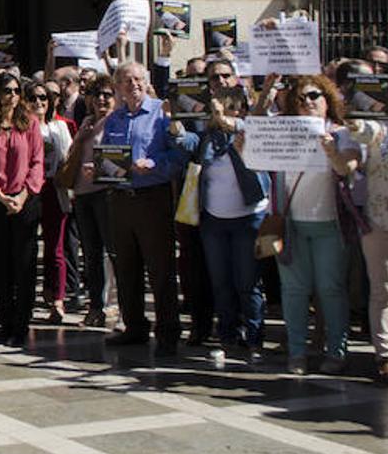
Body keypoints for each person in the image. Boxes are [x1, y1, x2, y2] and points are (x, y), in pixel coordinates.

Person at [265, 75, 360, 375]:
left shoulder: (342, 134)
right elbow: (257, 160)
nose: (308, 102)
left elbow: (348, 168)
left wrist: (332, 152)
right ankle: (297, 354)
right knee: (293, 291)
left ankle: (336, 351)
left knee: (331, 289)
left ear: (327, 99)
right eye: (301, 98)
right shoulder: (284, 131)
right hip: (290, 225)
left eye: (314, 96)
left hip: (329, 224)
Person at [93, 61, 186, 356]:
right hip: (120, 200)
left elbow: (179, 155)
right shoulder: (115, 119)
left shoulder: (162, 112)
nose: (132, 84)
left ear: (146, 82)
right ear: (118, 87)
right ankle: (134, 326)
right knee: (126, 267)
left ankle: (168, 331)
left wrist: (155, 165)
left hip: (152, 198)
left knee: (160, 269)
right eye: (126, 80)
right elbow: (107, 156)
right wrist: (94, 168)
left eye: (137, 78)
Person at [170, 87, 268, 362]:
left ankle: (255, 337)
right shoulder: (206, 138)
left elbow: (252, 129)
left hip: (247, 219)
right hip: (214, 221)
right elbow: (184, 141)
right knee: (222, 283)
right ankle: (228, 336)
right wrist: (176, 127)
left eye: (231, 108)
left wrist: (229, 121)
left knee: (248, 283)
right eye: (220, 109)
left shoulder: (248, 133)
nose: (223, 115)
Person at [0, 72, 45, 347]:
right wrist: (1, 196)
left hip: (25, 201)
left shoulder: (30, 124)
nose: (12, 96)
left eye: (16, 91)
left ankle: (22, 324)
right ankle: (6, 321)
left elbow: (37, 162)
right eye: (7, 91)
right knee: (0, 265)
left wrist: (24, 195)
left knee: (24, 265)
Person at [57, 78, 117, 329]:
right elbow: (73, 156)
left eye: (106, 94)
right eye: (95, 95)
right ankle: (95, 306)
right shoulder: (86, 121)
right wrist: (80, 139)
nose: (101, 100)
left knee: (110, 253)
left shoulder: (117, 121)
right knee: (91, 254)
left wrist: (100, 167)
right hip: (83, 194)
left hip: (105, 193)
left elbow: (121, 156)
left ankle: (112, 305)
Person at [351, 98, 388, 382]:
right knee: (384, 289)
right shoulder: (380, 129)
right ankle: (386, 355)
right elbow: (357, 128)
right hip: (380, 219)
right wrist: (356, 111)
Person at [28, 80, 74, 324]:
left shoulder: (59, 128)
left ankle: (57, 298)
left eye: (43, 98)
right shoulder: (21, 128)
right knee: (28, 248)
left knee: (55, 247)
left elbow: (68, 159)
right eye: (34, 98)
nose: (39, 103)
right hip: (29, 192)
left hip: (54, 190)